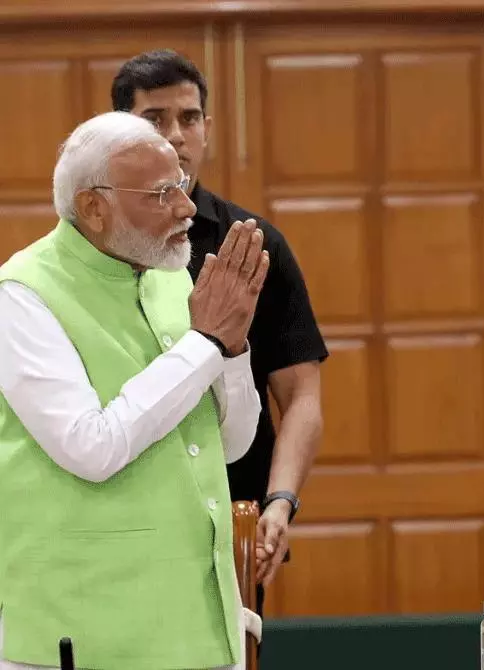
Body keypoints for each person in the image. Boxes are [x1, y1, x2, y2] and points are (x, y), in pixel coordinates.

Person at [0, 111, 266, 669]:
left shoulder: (170, 275)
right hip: (85, 632)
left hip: (199, 624)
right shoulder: (22, 296)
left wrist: (234, 349)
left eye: (182, 186)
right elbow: (91, 447)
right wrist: (205, 343)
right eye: (162, 193)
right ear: (94, 207)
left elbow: (230, 445)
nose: (187, 207)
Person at [111, 49, 329, 604]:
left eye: (189, 118)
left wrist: (281, 501)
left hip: (231, 520)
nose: (175, 136)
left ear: (207, 127)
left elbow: (300, 395)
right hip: (118, 522)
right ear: (119, 132)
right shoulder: (96, 248)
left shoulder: (252, 243)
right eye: (154, 119)